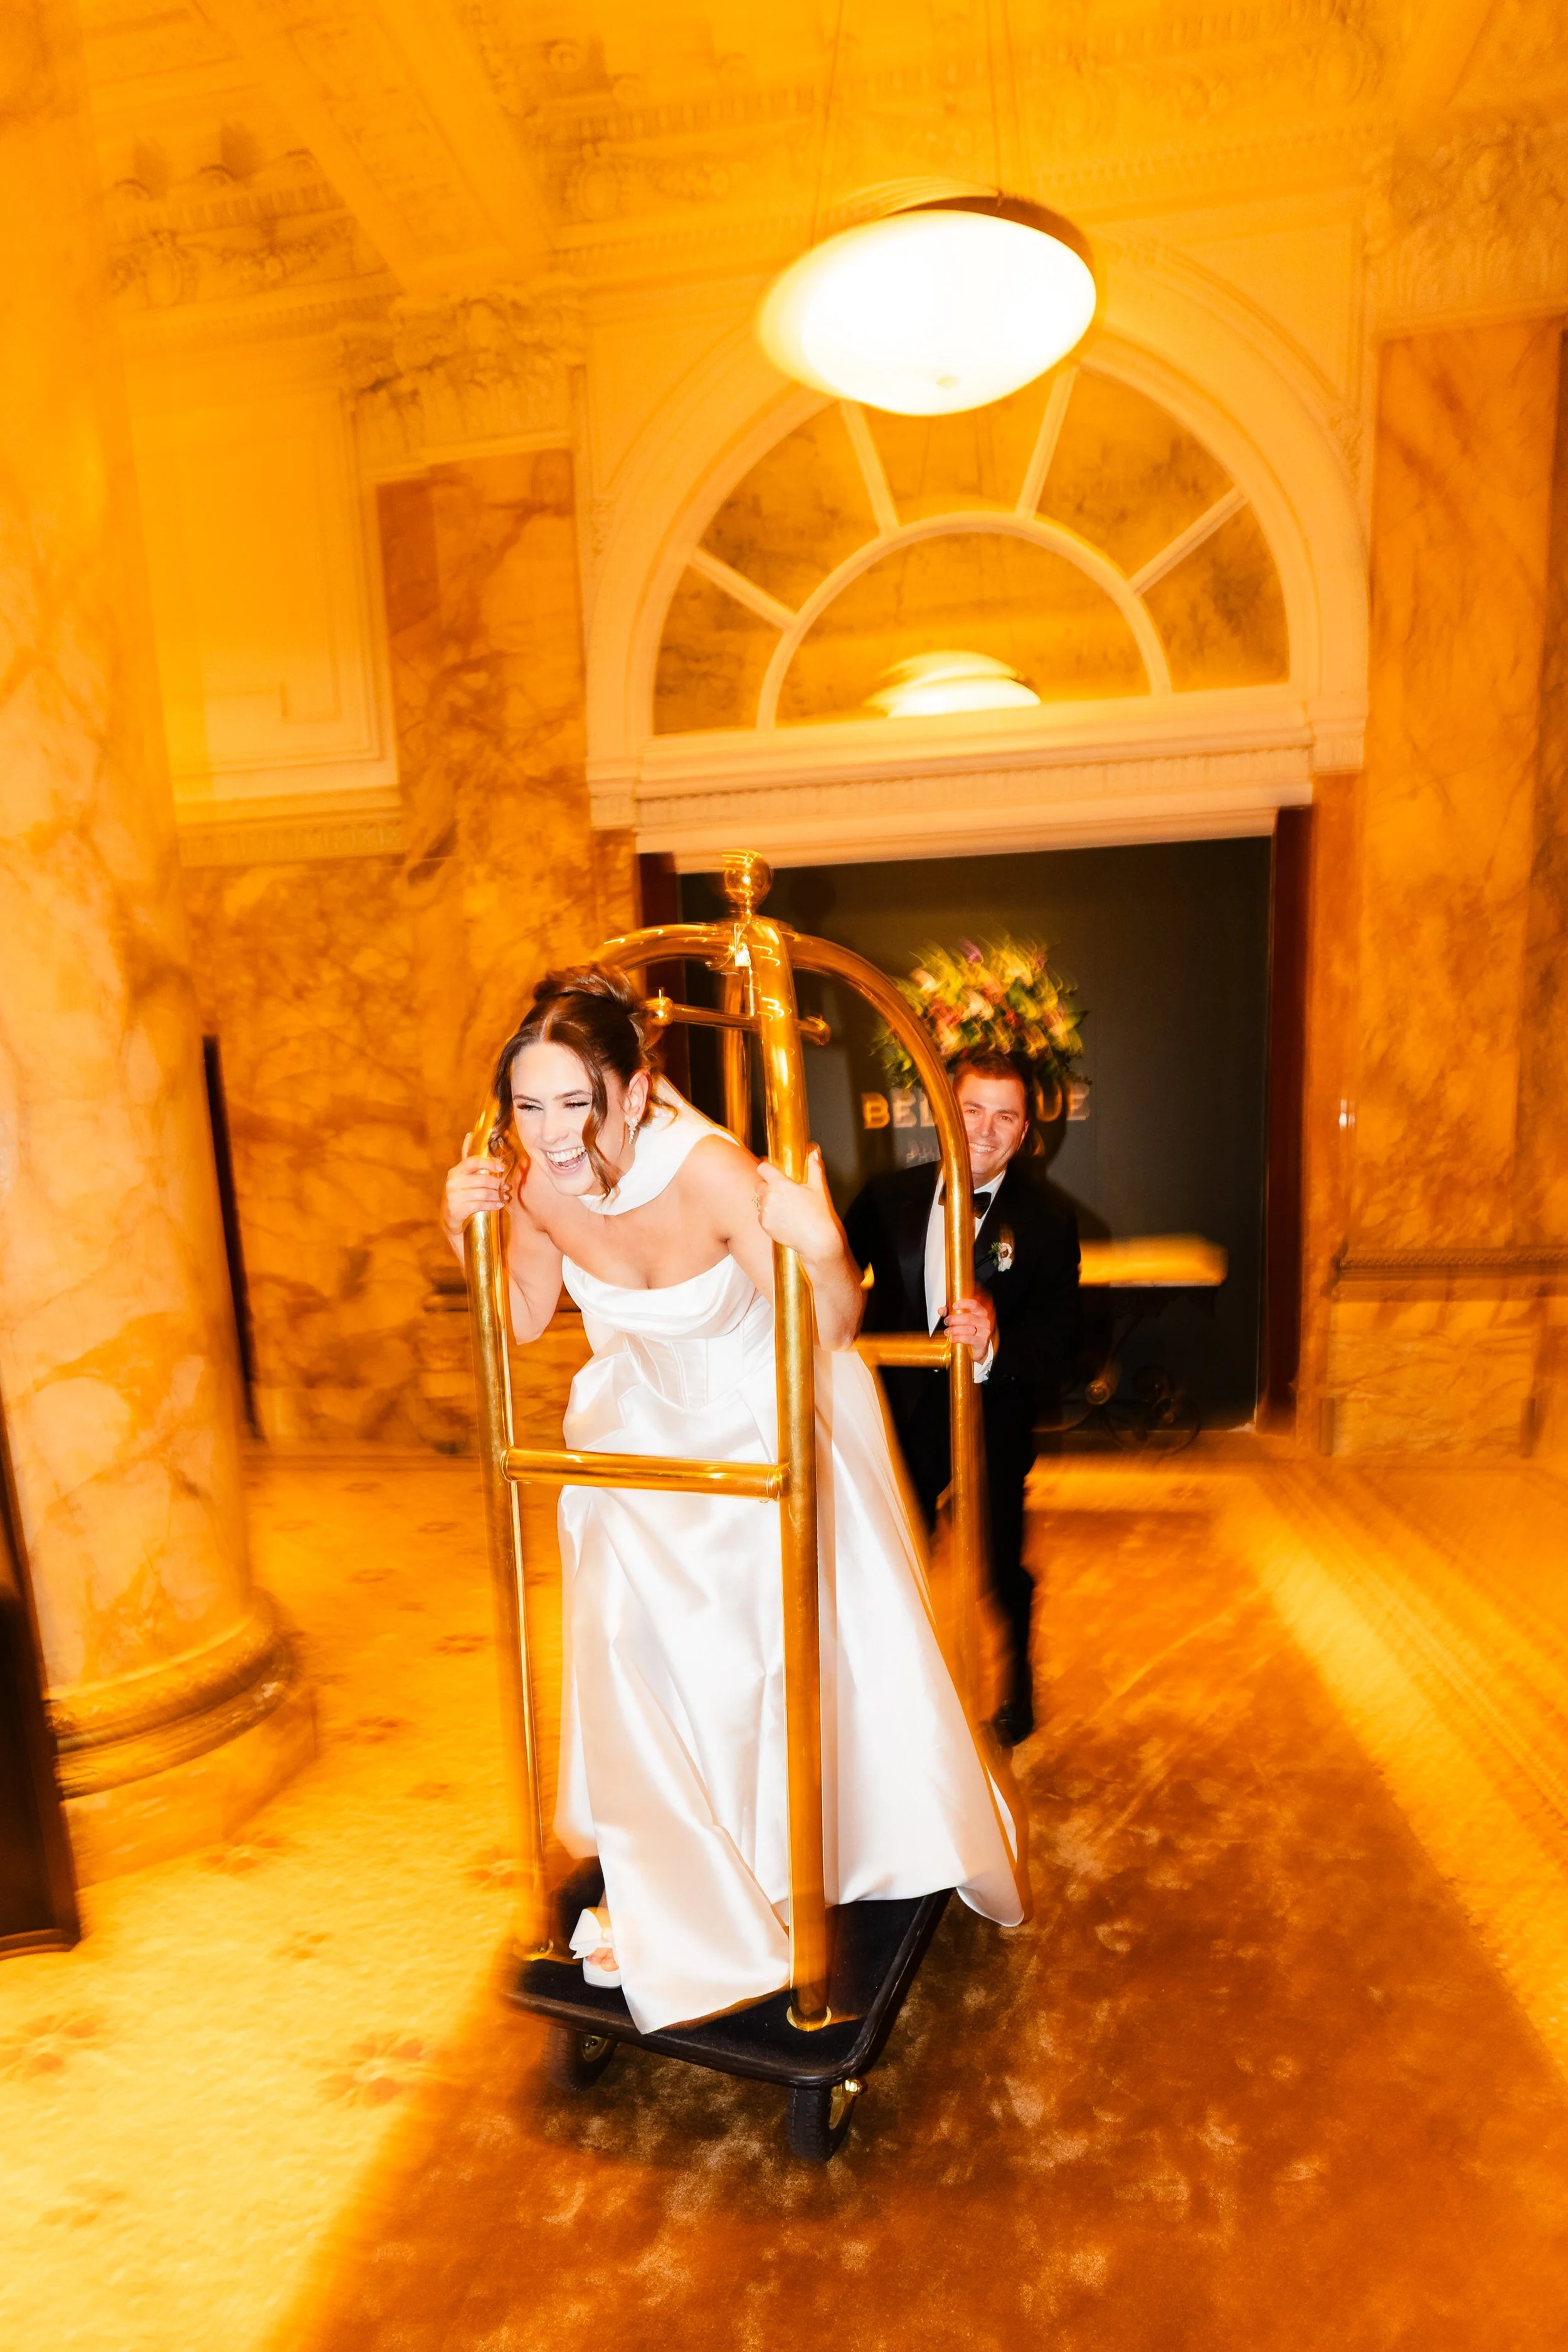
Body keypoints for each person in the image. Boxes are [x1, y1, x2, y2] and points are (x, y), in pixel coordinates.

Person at [442, 968, 1022, 2035]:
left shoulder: (712, 1174)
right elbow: (520, 1314)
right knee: (631, 1660)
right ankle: (674, 1875)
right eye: (528, 1105)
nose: (552, 1132)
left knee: (753, 1669)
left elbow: (832, 1325)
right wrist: (465, 1228)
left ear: (634, 1088)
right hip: (631, 1442)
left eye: (575, 1102)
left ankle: (769, 1863)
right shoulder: (534, 1178)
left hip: (758, 1431)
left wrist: (820, 1241)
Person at [844, 1051, 1081, 1750]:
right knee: (893, 1561)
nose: (984, 1130)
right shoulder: (886, 1198)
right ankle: (895, 1696)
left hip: (994, 1420)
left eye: (1005, 1116)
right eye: (971, 1109)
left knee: (999, 1567)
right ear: (944, 1111)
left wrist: (997, 1344)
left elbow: (1062, 1347)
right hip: (900, 1416)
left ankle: (1015, 1684)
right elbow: (830, 1279)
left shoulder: (1049, 1223)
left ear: (1026, 1130)